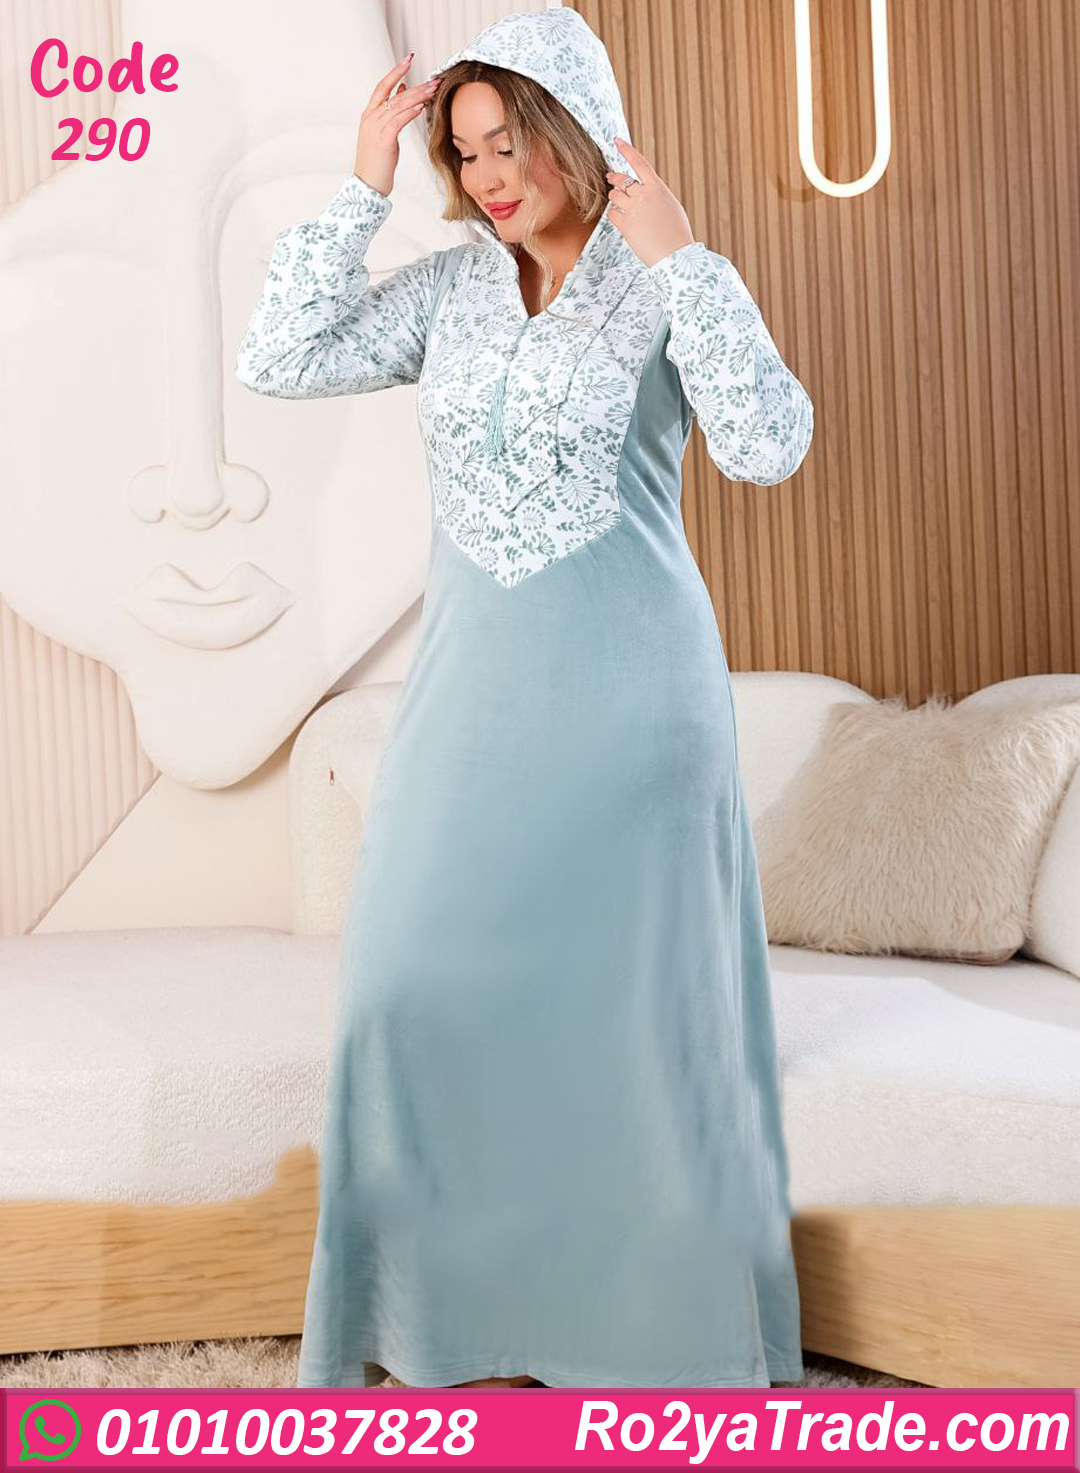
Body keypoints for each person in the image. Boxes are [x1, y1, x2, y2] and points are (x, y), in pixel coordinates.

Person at [236, 7, 813, 1391]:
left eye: (511, 141)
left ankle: (642, 1342)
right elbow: (279, 355)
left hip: (635, 712)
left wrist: (686, 259)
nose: (489, 175)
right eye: (465, 150)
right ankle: (437, 1326)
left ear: (575, 129)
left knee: (627, 1028)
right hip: (470, 708)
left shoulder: (663, 281)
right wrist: (363, 183)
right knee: (402, 989)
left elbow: (770, 445)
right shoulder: (450, 291)